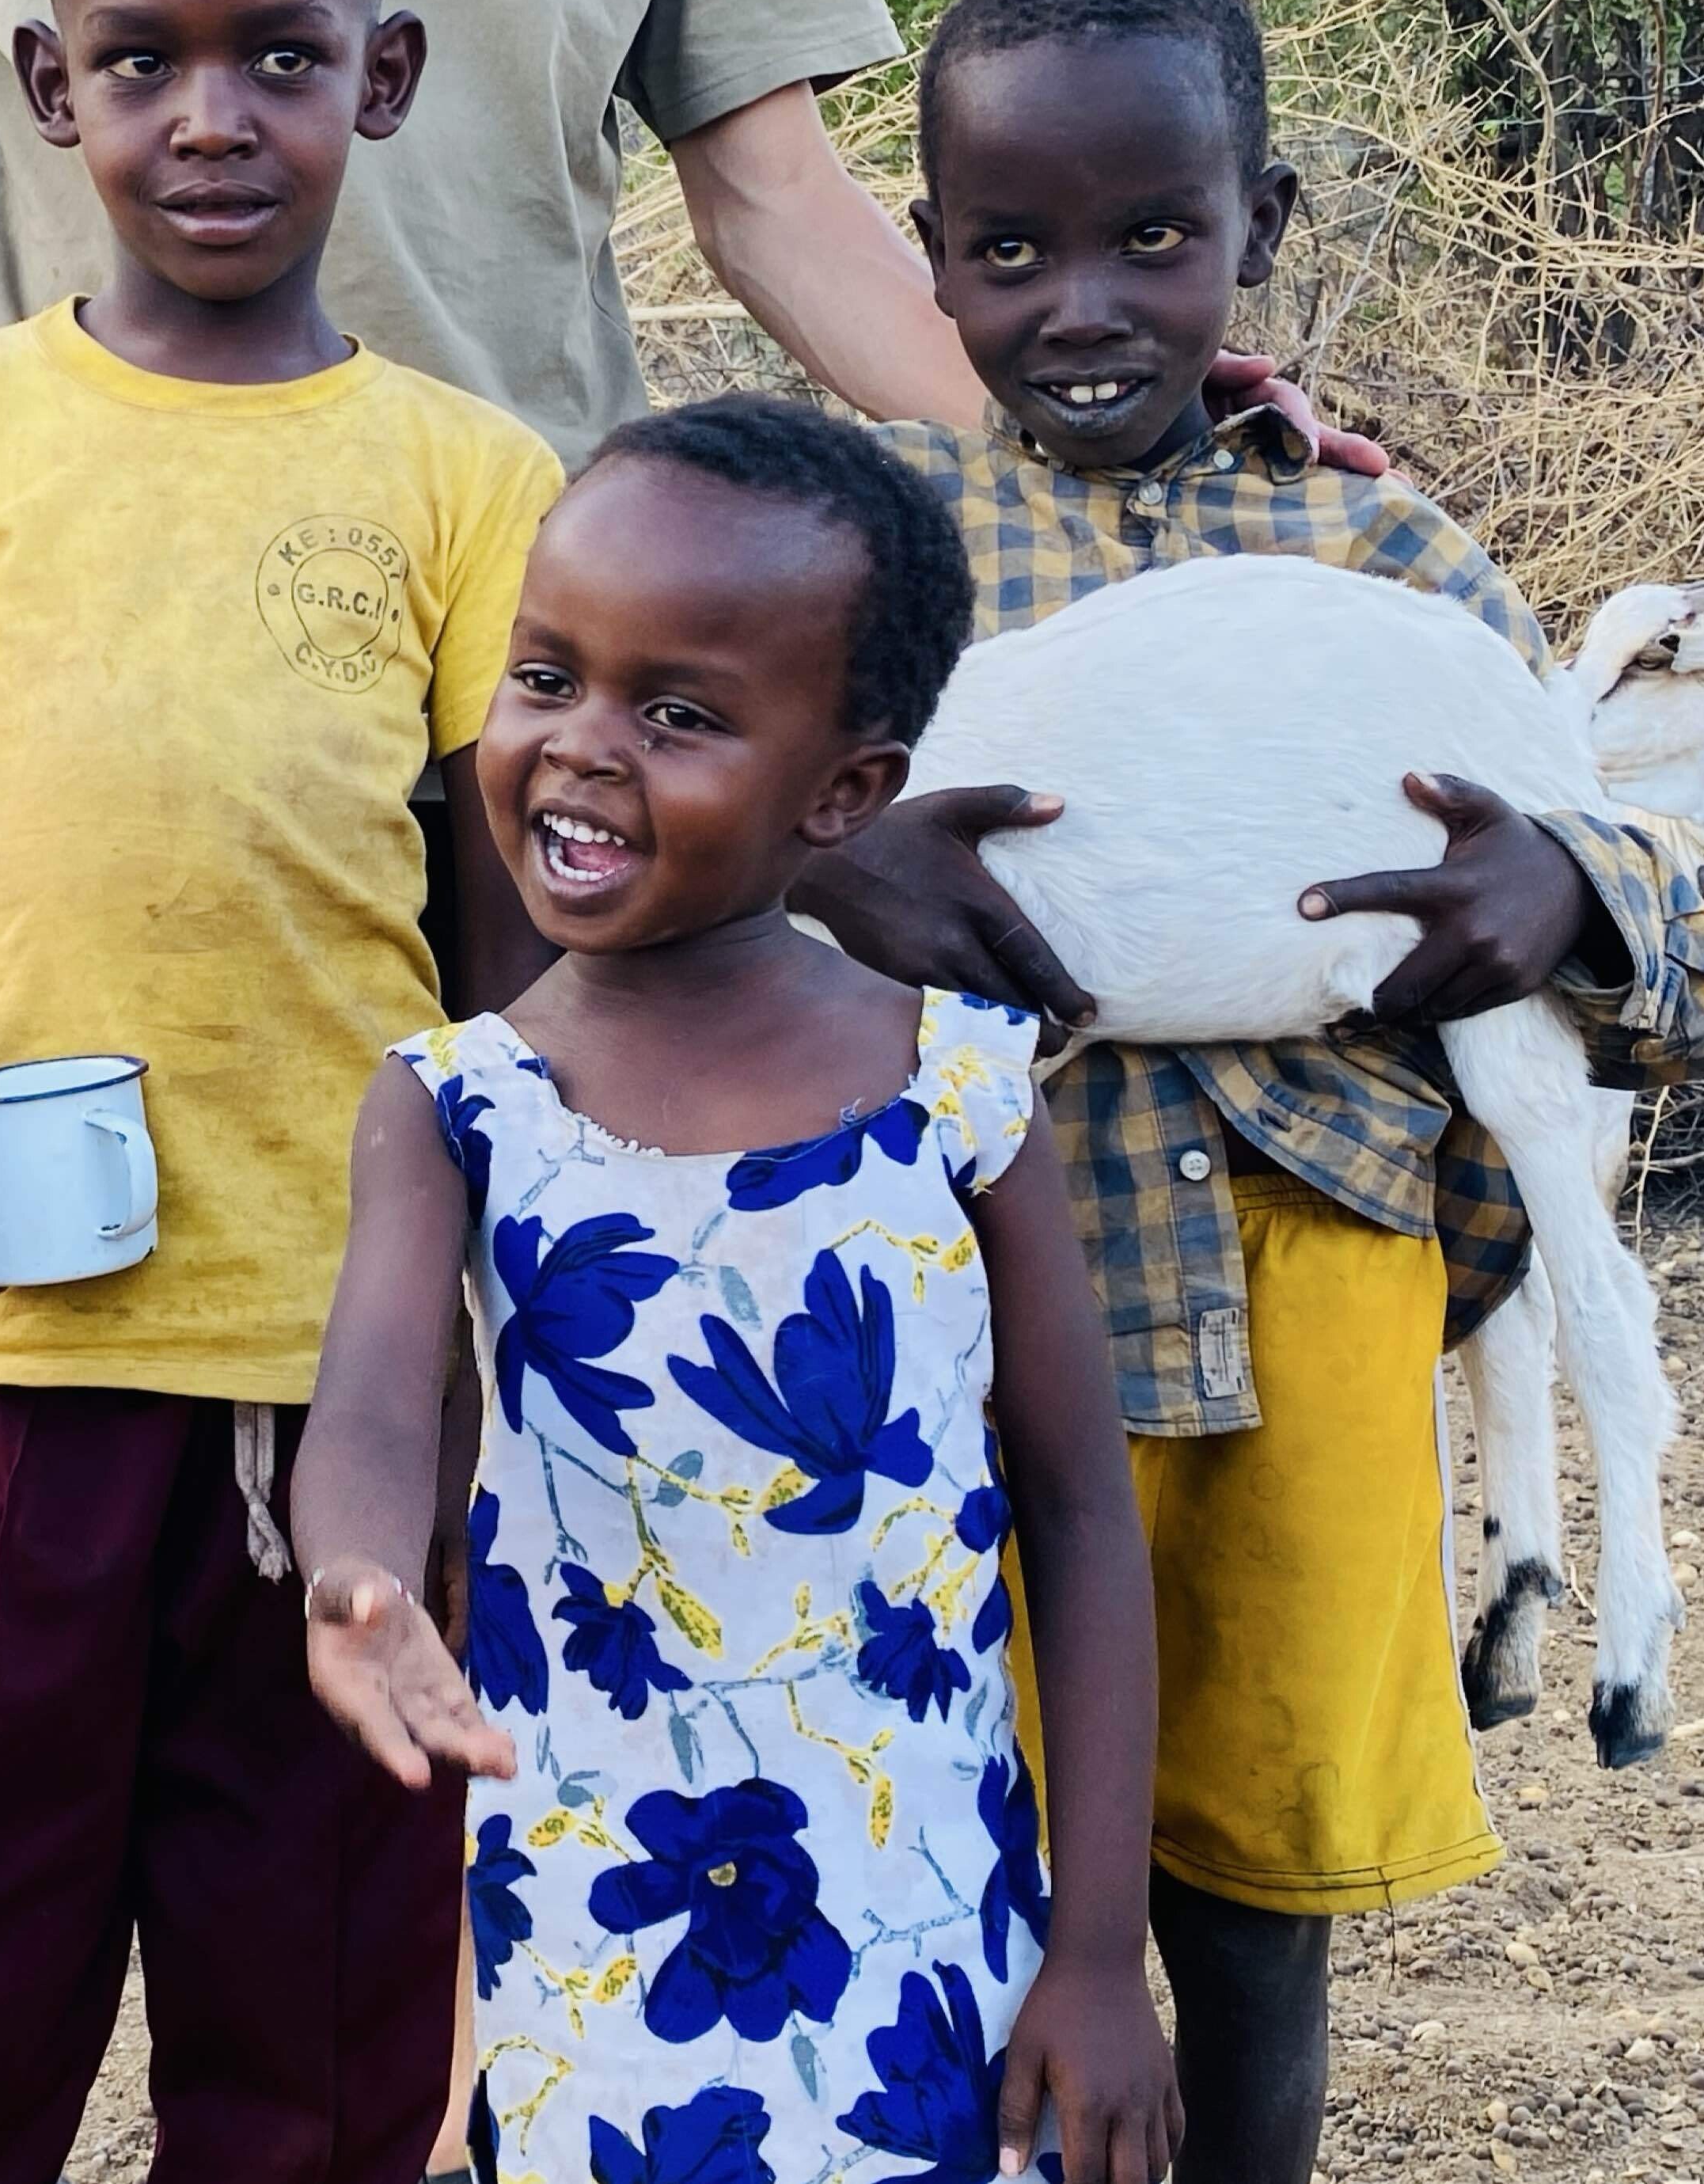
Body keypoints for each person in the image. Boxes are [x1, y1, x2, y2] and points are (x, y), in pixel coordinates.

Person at [787, 0, 1704, 2183]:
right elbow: (713, 833)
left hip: (1309, 1297)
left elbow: (1658, 868)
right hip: (950, 1310)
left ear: (1262, 232)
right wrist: (834, 886)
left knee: (1253, 1898)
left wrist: (1569, 890)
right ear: (927, 255)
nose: (1088, 304)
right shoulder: (877, 552)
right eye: (1011, 249)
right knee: (943, 1835)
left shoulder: (1380, 539)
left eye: (1157, 238)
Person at [0, 0, 560, 2180]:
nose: (211, 117)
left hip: (351, 1371)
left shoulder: (465, 476)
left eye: (280, 57)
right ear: (47, 87)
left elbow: (502, 917)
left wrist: (481, 1308)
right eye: (142, 60)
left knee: (317, 2022)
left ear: (385, 74)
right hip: (18, 1342)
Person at [288, 393, 1179, 2184]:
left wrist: (1096, 1951)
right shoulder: (460, 1100)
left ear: (847, 792)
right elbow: (379, 1402)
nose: (581, 749)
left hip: (937, 1919)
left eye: (679, 714)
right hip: (603, 1929)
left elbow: (1081, 1513)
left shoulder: (960, 1088)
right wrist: (359, 1581)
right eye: (546, 677)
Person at [0, 0, 1385, 602]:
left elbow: (768, 185)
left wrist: (1090, 423)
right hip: (79, 592)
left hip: (548, 612)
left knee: (537, 1247)